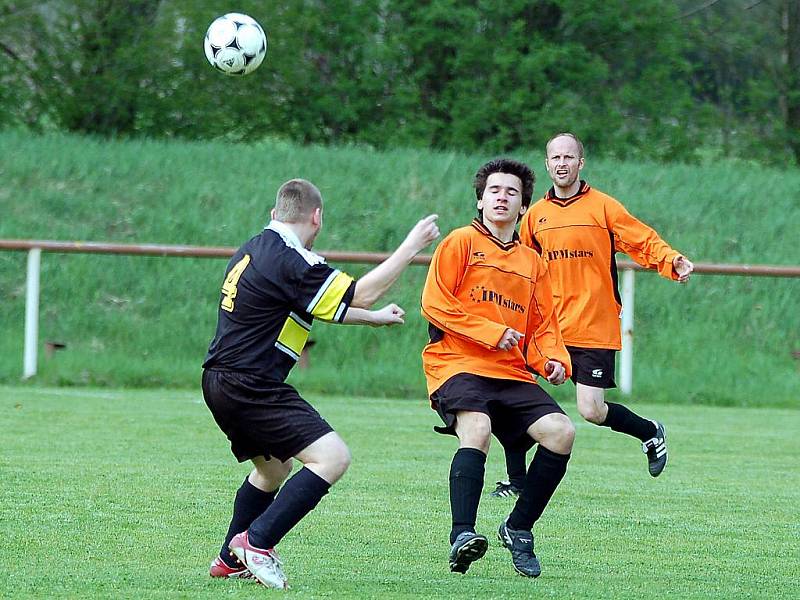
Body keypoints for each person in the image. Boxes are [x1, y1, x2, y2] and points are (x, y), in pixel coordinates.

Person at [202, 178, 439, 588]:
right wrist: (411, 246)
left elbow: (328, 305)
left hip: (219, 380)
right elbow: (359, 294)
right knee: (332, 457)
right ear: (317, 217)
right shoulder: (292, 261)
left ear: (276, 214)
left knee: (274, 469)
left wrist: (374, 317)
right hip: (251, 384)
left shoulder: (254, 249)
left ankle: (229, 558)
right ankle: (256, 543)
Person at [489, 133, 694, 498]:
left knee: (592, 410)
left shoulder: (603, 207)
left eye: (569, 157)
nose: (562, 163)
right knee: (513, 393)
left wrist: (670, 261)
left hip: (593, 324)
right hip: (548, 327)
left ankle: (649, 432)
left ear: (581, 163)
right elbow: (518, 265)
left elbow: (640, 239)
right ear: (547, 163)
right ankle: (516, 481)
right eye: (556, 157)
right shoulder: (536, 215)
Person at [421, 158, 575, 578]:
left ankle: (518, 527)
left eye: (511, 192)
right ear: (480, 199)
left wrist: (553, 361)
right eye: (494, 191)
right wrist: (490, 331)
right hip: (457, 362)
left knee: (561, 433)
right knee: (477, 429)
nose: (502, 197)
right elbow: (434, 304)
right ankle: (462, 535)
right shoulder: (460, 242)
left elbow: (542, 325)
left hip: (510, 372)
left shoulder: (532, 262)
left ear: (523, 205)